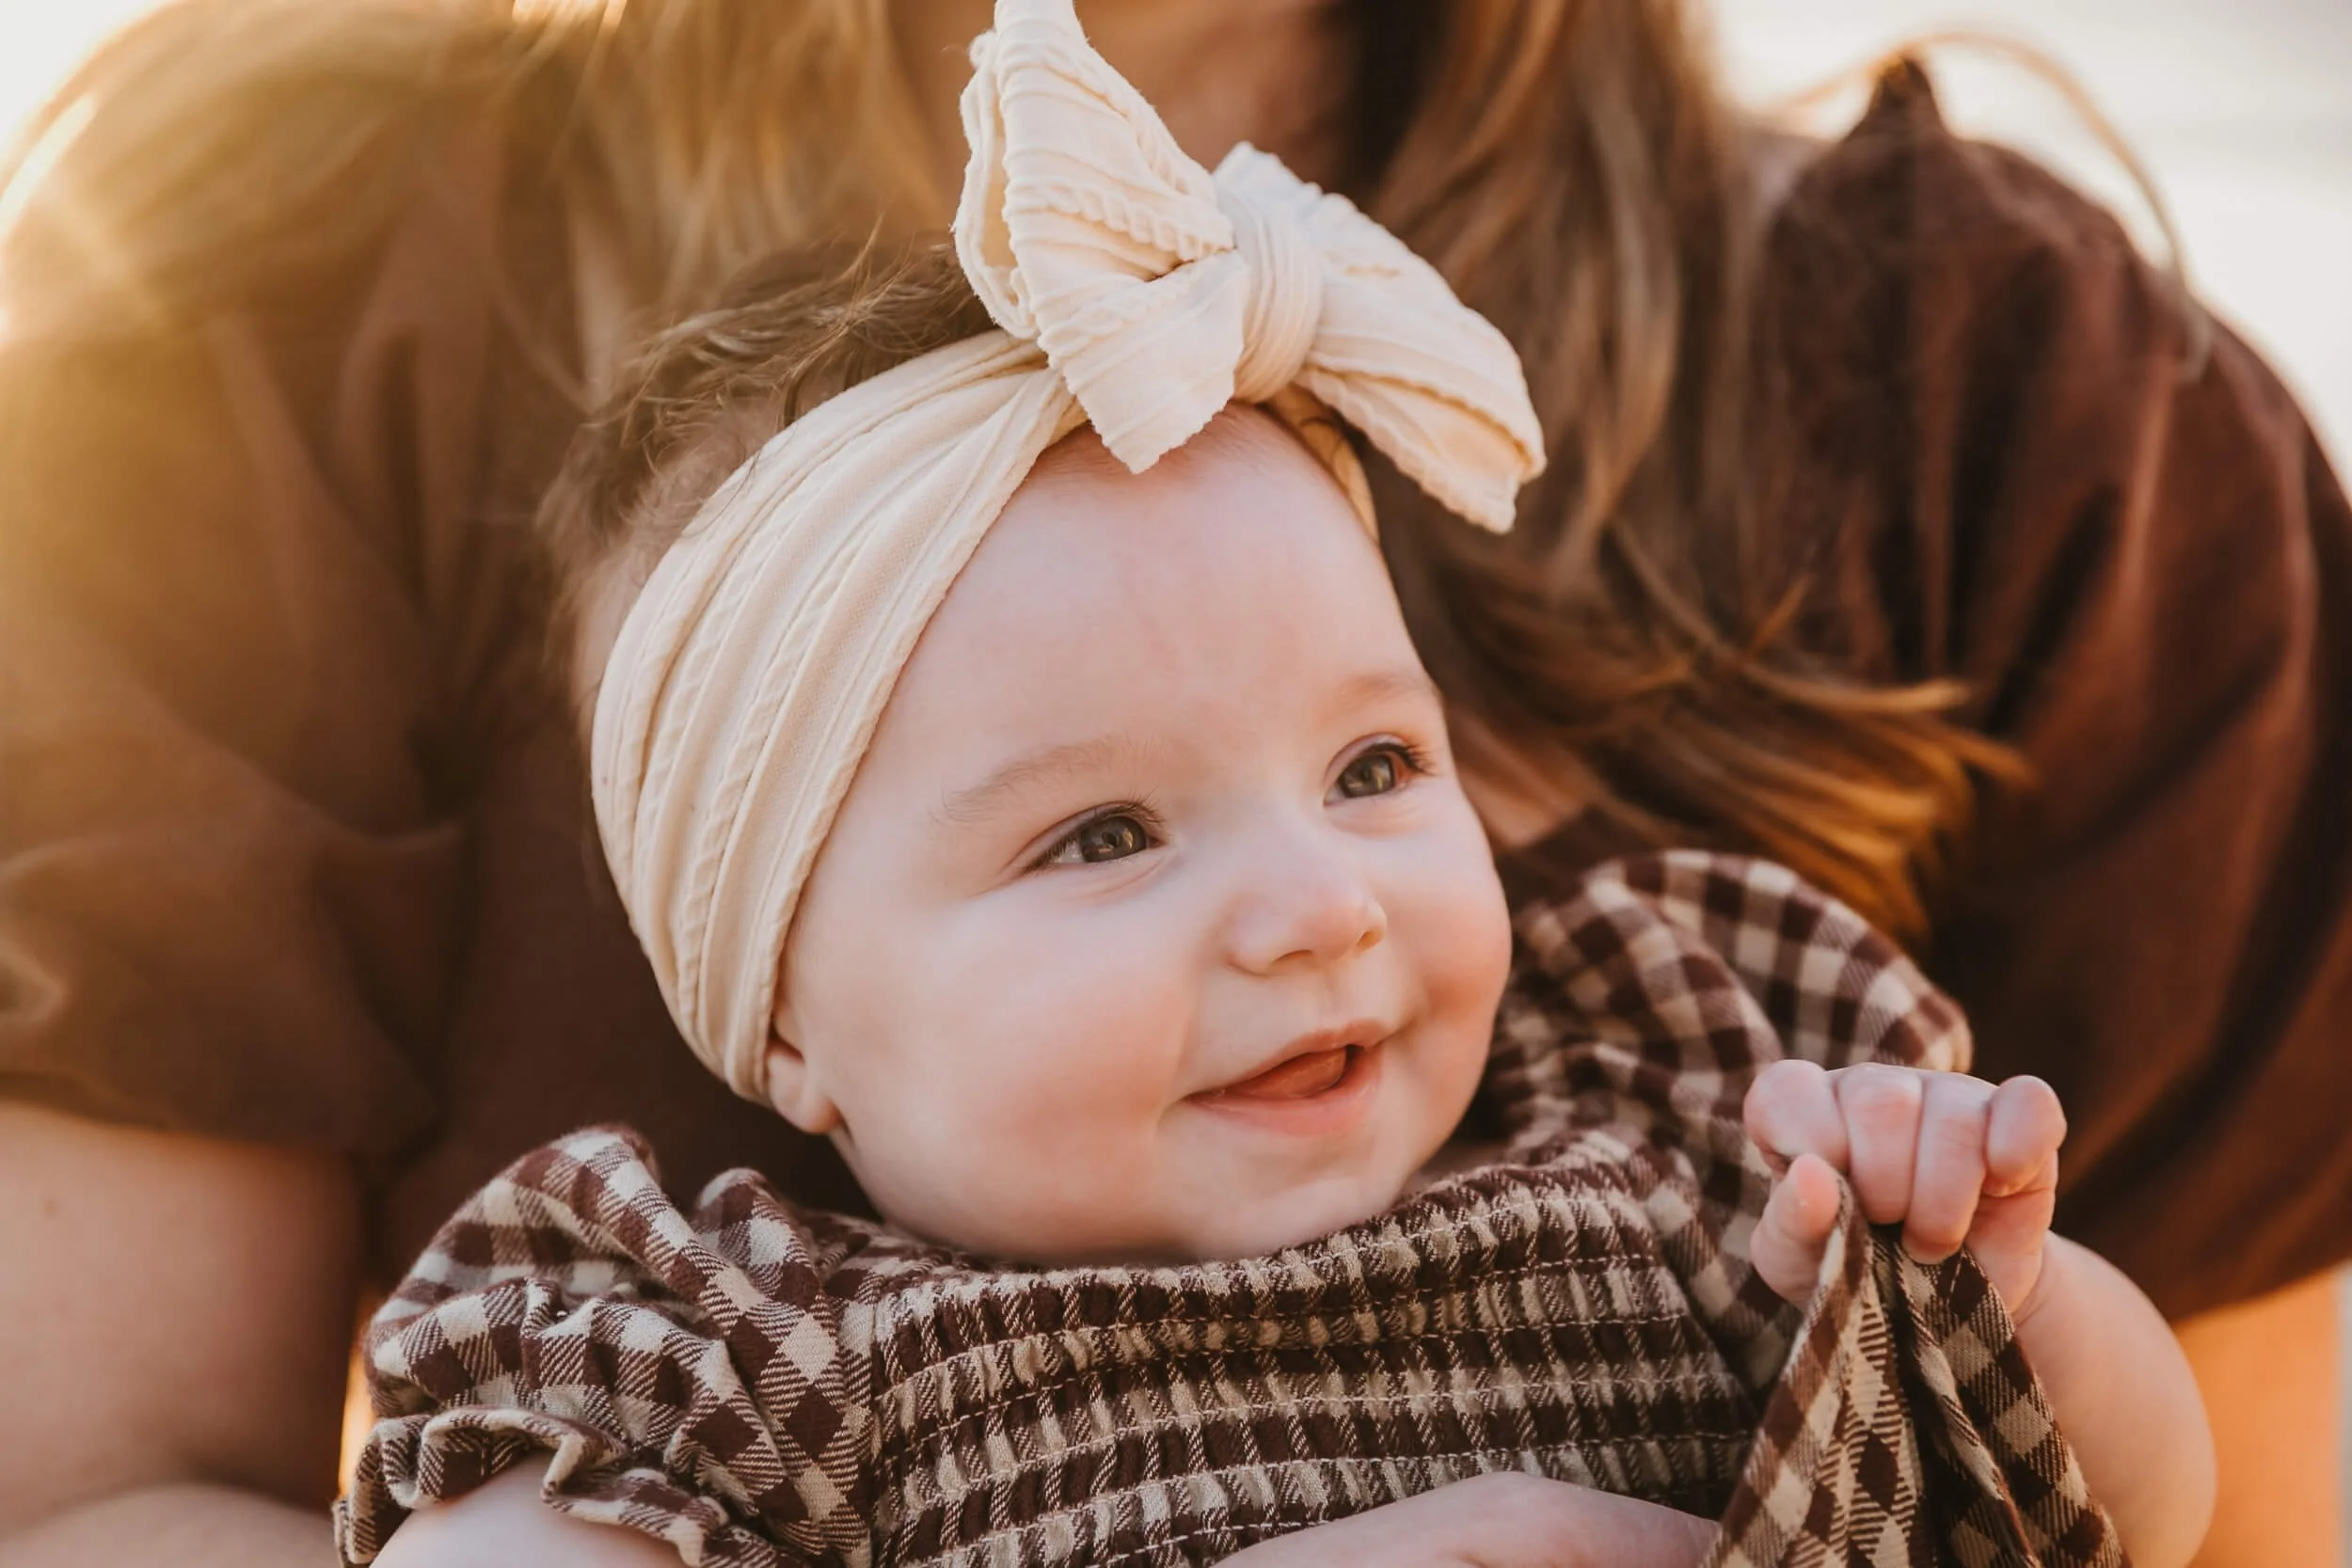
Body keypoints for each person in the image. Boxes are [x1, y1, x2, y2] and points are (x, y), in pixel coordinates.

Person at [0, 1, 2339, 1563]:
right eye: (1099, 831)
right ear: (776, 1028)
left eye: (1374, 764)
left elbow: (2177, 1510)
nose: (1317, 903)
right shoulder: (755, 1347)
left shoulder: (1690, 1134)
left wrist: (1986, 1299)